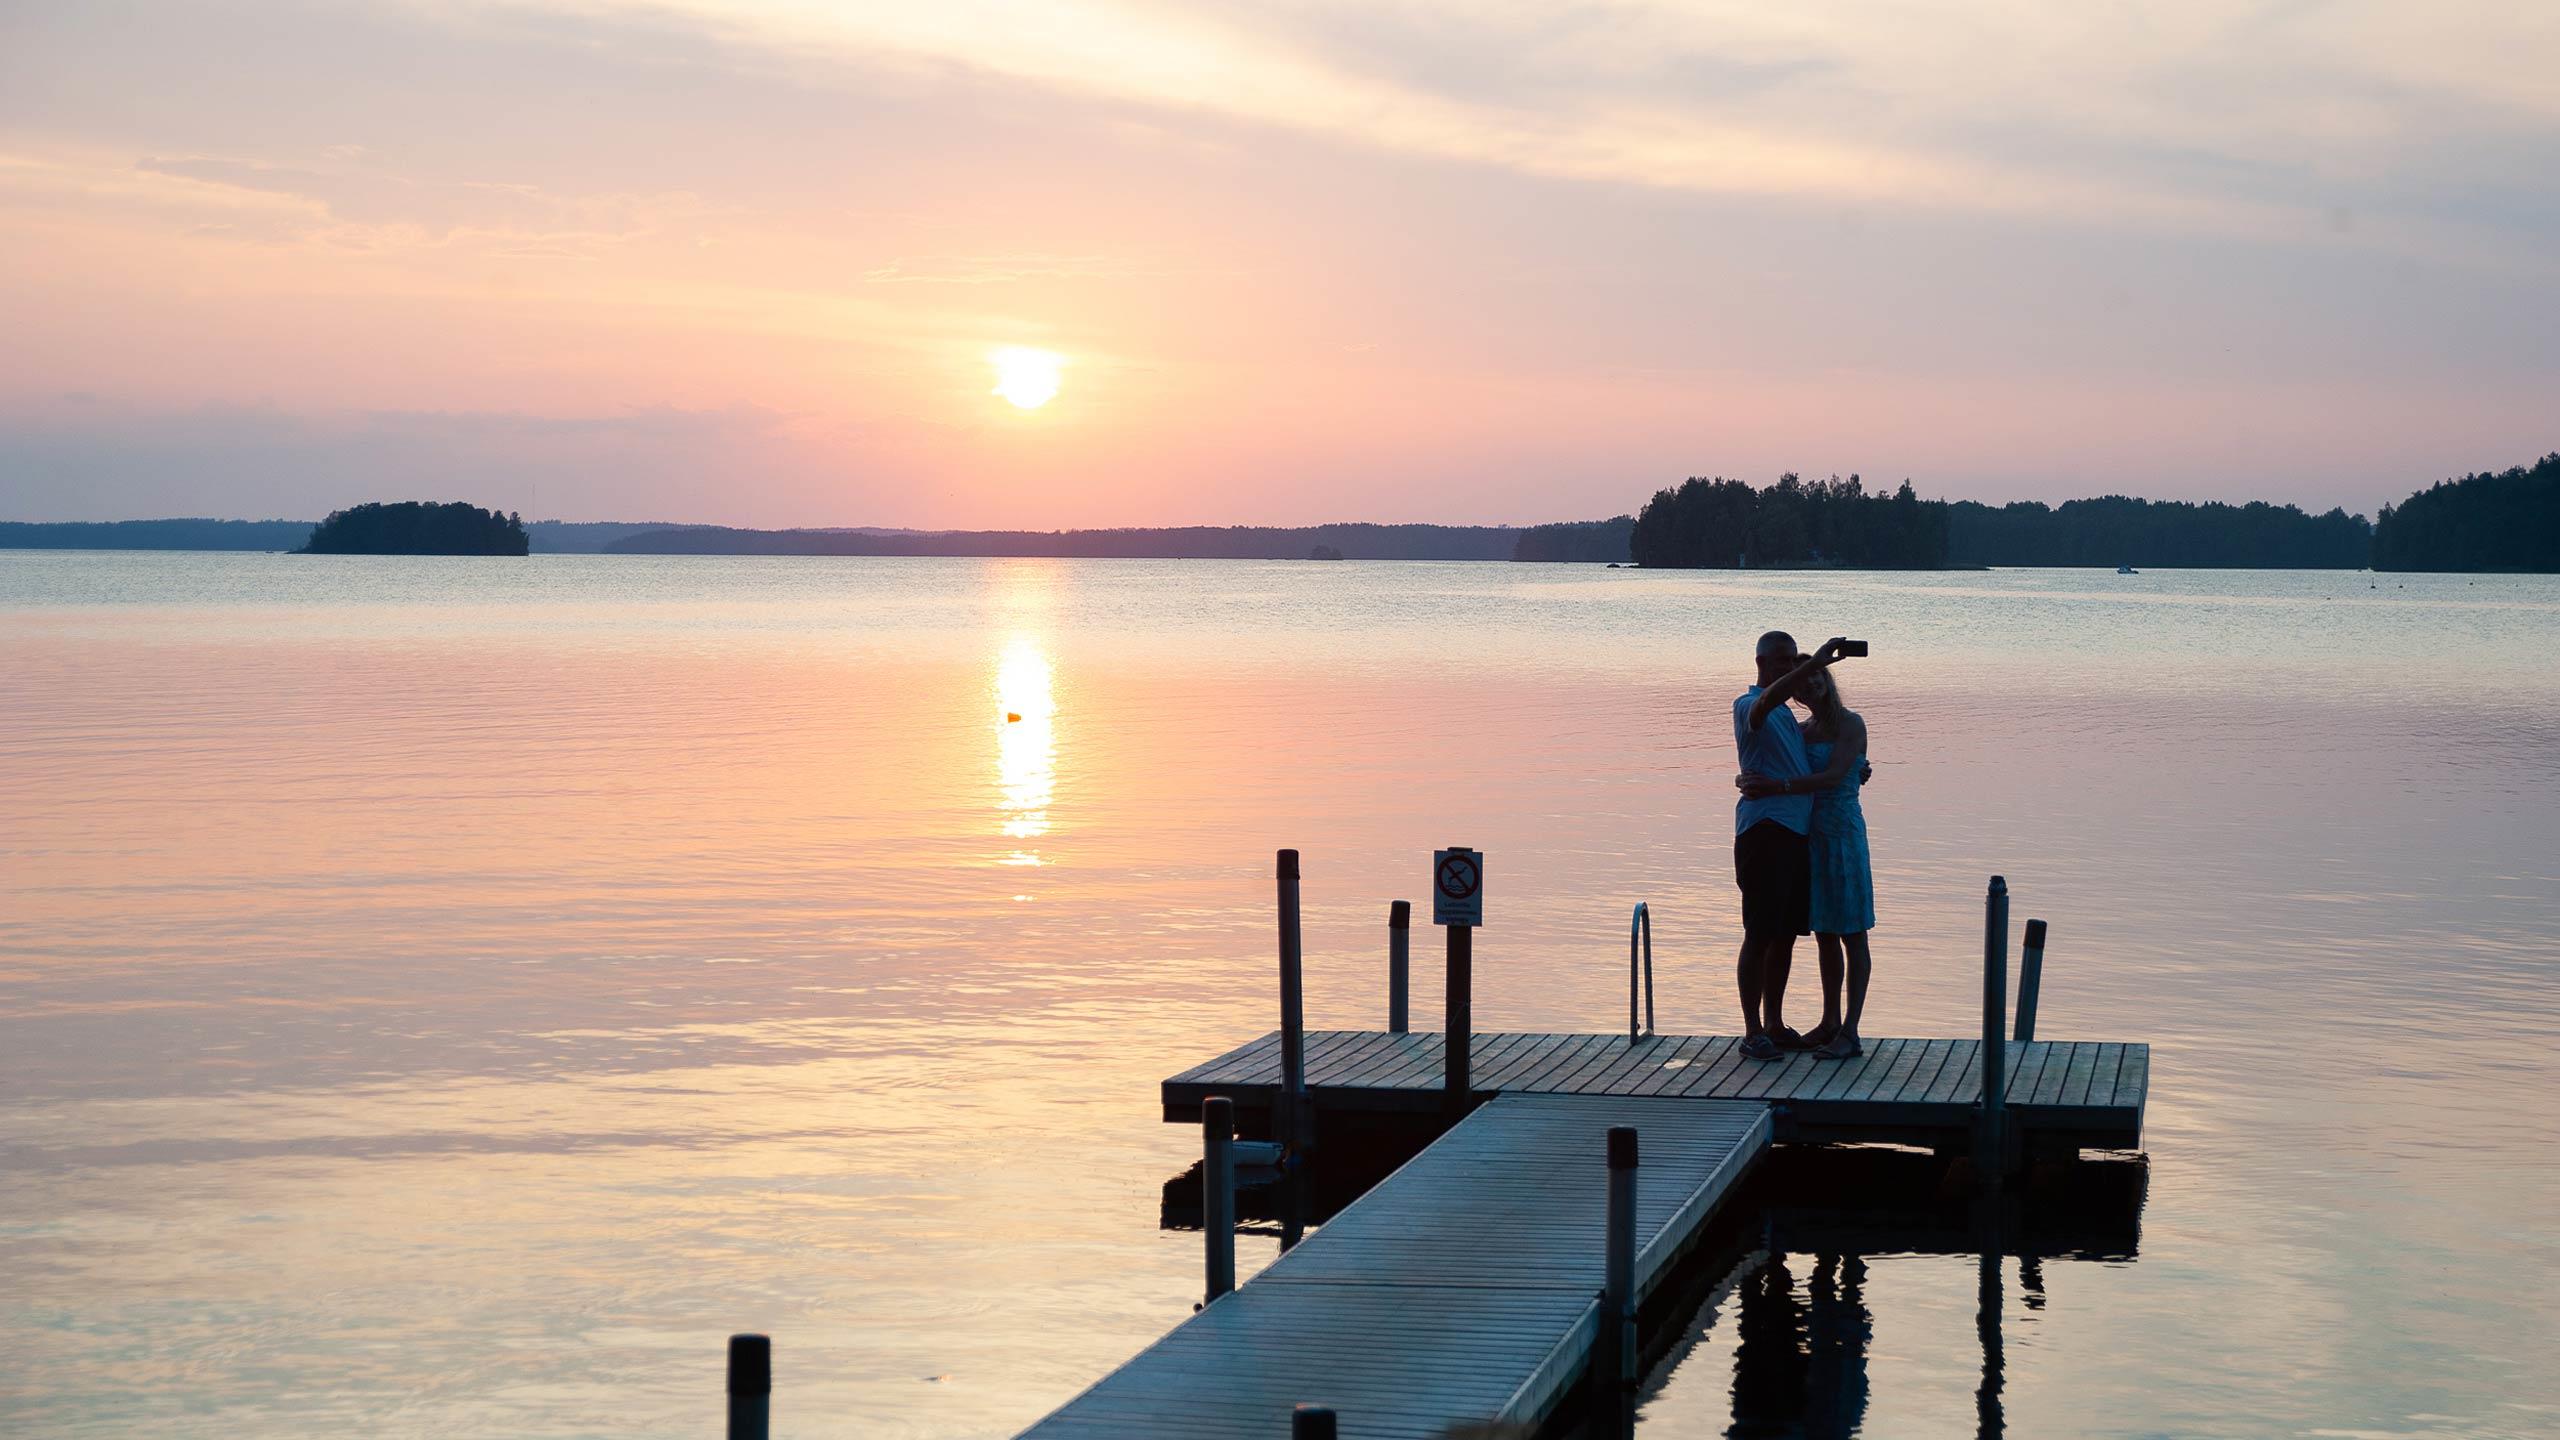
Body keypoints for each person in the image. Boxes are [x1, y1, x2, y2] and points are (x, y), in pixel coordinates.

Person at [1732, 632, 1858, 1060]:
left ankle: (1775, 1024)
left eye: (1793, 661)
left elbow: (1817, 765)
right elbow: (1767, 703)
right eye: (1781, 661)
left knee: (1784, 935)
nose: (1788, 669)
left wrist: (1857, 769)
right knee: (1758, 933)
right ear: (1760, 662)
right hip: (1764, 832)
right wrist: (1814, 662)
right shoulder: (1750, 705)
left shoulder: (1792, 720)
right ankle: (1752, 1032)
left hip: (1798, 836)